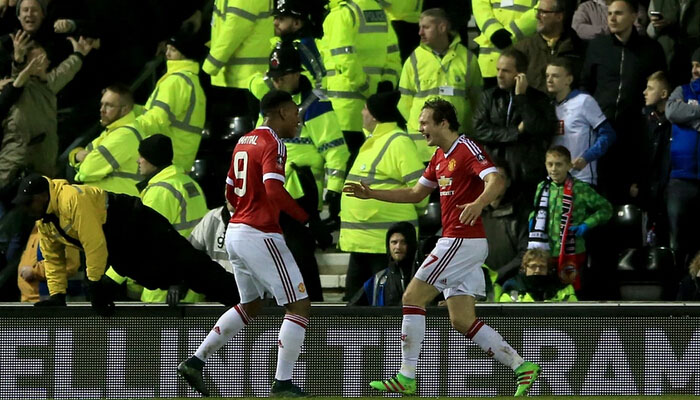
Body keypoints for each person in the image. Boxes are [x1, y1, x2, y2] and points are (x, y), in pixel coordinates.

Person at [344, 98, 540, 397]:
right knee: (461, 319)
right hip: (463, 243)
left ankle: (406, 376)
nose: (420, 128)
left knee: (412, 297)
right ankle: (521, 366)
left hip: (461, 240)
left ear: (443, 123)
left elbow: (497, 180)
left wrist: (478, 203)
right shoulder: (439, 156)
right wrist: (372, 193)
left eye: (424, 122)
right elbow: (415, 193)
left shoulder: (466, 148)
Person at [177, 90, 328, 398]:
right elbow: (274, 190)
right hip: (260, 233)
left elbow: (230, 192)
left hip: (236, 231)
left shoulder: (243, 141)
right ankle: (282, 383)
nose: (299, 119)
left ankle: (196, 361)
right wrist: (307, 220)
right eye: (295, 112)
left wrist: (246, 210)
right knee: (299, 305)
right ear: (282, 112)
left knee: (251, 305)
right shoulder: (274, 143)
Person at [11, 173, 239, 311]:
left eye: (29, 203)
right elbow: (53, 259)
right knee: (158, 277)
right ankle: (236, 300)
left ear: (42, 196)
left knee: (189, 265)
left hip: (138, 223)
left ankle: (243, 298)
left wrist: (94, 284)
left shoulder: (71, 198)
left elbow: (94, 243)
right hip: (120, 242)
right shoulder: (45, 221)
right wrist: (57, 295)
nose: (26, 209)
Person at [247, 40, 344, 300]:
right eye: (274, 77)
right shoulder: (270, 97)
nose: (276, 81)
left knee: (301, 262)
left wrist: (333, 193)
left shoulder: (315, 106)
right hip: (270, 194)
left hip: (301, 194)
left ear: (296, 74)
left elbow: (336, 152)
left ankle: (313, 312)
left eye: (281, 76)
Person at [339, 90, 426, 300]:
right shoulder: (373, 141)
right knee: (354, 304)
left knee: (384, 304)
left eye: (365, 109)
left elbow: (420, 191)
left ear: (375, 116)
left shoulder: (398, 142)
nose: (362, 113)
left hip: (384, 243)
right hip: (362, 241)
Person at [580, 0, 666, 205]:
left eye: (618, 13)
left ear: (634, 16)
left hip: (636, 131)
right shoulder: (598, 46)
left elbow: (660, 87)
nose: (612, 18)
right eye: (610, 13)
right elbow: (585, 84)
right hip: (601, 129)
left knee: (630, 192)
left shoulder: (651, 49)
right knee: (601, 190)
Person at [124, 134, 208, 304]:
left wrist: (113, 279)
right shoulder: (188, 183)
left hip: (164, 286)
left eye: (142, 156)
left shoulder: (160, 192)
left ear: (153, 160)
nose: (138, 161)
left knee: (157, 322)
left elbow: (142, 242)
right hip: (192, 282)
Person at [0, 35, 94, 188]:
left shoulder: (47, 85)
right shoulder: (20, 86)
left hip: (43, 162)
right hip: (15, 162)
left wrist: (78, 54)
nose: (43, 61)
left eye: (44, 57)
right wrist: (18, 60)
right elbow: (18, 77)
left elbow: (65, 71)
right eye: (37, 58)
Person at [320, 0, 401, 164]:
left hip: (345, 110)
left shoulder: (341, 14)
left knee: (346, 164)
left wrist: (368, 88)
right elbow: (393, 54)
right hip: (376, 109)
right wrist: (386, 85)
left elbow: (344, 60)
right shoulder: (381, 13)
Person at [398, 8, 482, 162]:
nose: (420, 33)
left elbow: (477, 100)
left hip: (457, 142)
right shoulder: (414, 60)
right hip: (423, 147)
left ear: (442, 27)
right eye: (420, 27)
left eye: (426, 27)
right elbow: (403, 101)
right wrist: (420, 125)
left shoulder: (468, 58)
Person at [471, 48, 557, 200]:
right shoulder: (489, 97)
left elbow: (540, 129)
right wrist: (516, 131)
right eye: (498, 69)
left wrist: (521, 98)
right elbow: (479, 130)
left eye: (505, 71)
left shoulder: (538, 99)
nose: (499, 75)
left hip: (526, 173)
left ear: (520, 74)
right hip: (495, 169)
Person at [528, 145, 613, 291]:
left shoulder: (580, 188)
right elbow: (536, 209)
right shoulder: (542, 187)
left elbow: (606, 209)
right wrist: (532, 219)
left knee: (570, 291)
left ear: (569, 166)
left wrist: (587, 224)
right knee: (546, 291)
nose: (554, 169)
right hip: (546, 252)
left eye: (559, 164)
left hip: (573, 251)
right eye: (550, 164)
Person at [135, 30, 206, 172]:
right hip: (177, 160)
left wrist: (127, 127)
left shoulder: (176, 81)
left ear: (184, 54)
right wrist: (130, 109)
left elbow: (157, 119)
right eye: (167, 49)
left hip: (165, 159)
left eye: (173, 50)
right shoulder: (189, 80)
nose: (167, 54)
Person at [545, 57, 616, 186]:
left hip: (581, 178)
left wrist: (586, 157)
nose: (549, 80)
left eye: (555, 76)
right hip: (556, 180)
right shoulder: (549, 106)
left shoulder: (584, 101)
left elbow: (608, 134)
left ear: (569, 79)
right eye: (547, 76)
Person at [204, 0, 273, 123]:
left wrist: (211, 64)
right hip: (242, 74)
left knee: (243, 126)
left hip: (245, 76)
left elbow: (234, 28)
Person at [68, 83, 142, 196]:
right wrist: (75, 155)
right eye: (102, 104)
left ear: (125, 109)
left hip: (118, 201)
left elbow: (87, 171)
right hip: (107, 199)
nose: (102, 110)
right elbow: (81, 156)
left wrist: (78, 160)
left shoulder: (125, 135)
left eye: (109, 106)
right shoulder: (111, 132)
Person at [665, 47, 700, 270]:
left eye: (699, 66)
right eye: (693, 66)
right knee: (677, 238)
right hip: (681, 177)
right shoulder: (682, 90)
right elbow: (672, 112)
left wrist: (691, 114)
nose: (695, 70)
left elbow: (682, 114)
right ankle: (677, 284)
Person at [513, 0, 585, 93]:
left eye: (543, 12)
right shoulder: (522, 49)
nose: (537, 16)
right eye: (537, 11)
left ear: (559, 17)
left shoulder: (577, 47)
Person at [348, 221, 417, 306]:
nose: (398, 247)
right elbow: (351, 308)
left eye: (403, 242)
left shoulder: (423, 276)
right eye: (394, 242)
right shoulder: (378, 280)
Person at [472, 0, 537, 84]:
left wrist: (511, 33)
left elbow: (543, 7)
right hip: (489, 64)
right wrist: (493, 31)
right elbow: (480, 6)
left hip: (523, 60)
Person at [641, 71, 672, 245]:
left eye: (650, 88)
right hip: (648, 189)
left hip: (667, 188)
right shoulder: (644, 119)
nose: (645, 92)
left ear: (664, 94)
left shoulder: (676, 122)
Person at [271, 0, 329, 89]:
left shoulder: (301, 47)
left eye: (281, 19)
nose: (275, 22)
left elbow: (319, 82)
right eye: (275, 17)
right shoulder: (288, 45)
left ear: (297, 23)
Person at [17, 223, 79, 303]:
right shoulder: (38, 227)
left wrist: (34, 271)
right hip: (30, 300)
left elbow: (69, 265)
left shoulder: (60, 226)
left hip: (47, 300)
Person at [500, 248, 578, 302]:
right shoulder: (512, 286)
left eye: (542, 266)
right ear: (525, 267)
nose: (537, 270)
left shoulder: (563, 288)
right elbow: (505, 314)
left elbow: (574, 312)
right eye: (533, 266)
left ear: (548, 269)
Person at [572, 0, 648, 41]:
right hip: (597, 54)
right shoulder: (586, 7)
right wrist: (611, 30)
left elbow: (639, 30)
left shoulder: (632, 6)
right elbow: (578, 29)